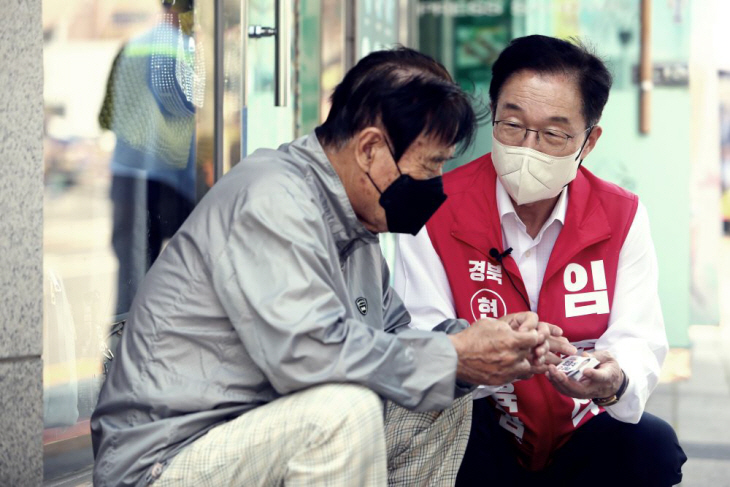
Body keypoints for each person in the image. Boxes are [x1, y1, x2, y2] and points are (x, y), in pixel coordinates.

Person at [91, 47, 552, 487]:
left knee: (441, 392)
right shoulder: (272, 198)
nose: (435, 185)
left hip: (259, 434)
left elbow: (390, 342)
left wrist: (483, 345)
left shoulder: (358, 224)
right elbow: (308, 356)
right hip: (166, 462)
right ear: (370, 149)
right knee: (342, 412)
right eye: (429, 167)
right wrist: (455, 354)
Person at [394, 35, 687, 487]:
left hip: (581, 428)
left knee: (651, 446)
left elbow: (638, 338)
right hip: (477, 425)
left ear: (588, 141)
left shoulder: (621, 215)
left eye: (553, 134)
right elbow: (421, 338)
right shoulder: (435, 208)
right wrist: (498, 356)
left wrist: (612, 378)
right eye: (512, 125)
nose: (528, 147)